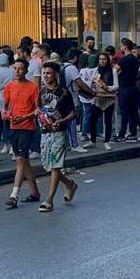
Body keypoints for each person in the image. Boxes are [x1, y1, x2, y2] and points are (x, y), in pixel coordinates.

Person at [37, 62, 79, 212]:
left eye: (49, 73)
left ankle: (49, 200)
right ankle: (69, 184)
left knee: (55, 166)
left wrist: (62, 121)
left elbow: (73, 113)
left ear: (55, 74)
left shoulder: (64, 93)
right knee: (48, 166)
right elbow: (38, 109)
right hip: (45, 133)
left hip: (59, 134)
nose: (46, 76)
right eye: (44, 73)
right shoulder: (41, 92)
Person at [1, 59, 42, 208]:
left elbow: (38, 109)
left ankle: (14, 195)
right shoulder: (9, 86)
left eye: (20, 69)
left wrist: (25, 117)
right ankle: (35, 192)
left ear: (26, 71)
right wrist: (5, 114)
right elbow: (5, 105)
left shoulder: (33, 87)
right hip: (13, 125)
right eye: (15, 68)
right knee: (24, 161)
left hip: (27, 126)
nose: (17, 71)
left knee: (19, 159)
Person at [87, 53, 118, 149]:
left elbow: (116, 86)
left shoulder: (113, 71)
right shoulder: (96, 71)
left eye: (104, 59)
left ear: (107, 60)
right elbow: (91, 84)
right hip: (98, 98)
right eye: (100, 59)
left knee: (108, 121)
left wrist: (106, 88)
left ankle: (107, 141)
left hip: (109, 98)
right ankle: (92, 141)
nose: (102, 61)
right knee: (92, 119)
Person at [116, 39, 140, 142]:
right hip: (133, 87)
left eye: (121, 46)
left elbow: (115, 71)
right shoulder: (135, 59)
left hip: (124, 87)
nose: (120, 48)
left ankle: (121, 134)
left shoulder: (123, 60)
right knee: (132, 112)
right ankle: (133, 133)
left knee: (124, 112)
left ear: (125, 47)